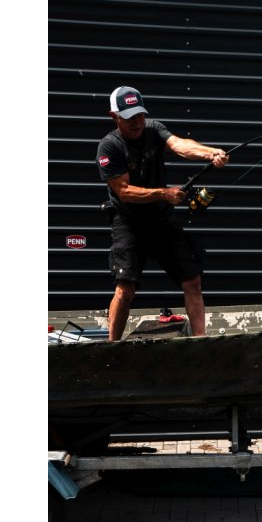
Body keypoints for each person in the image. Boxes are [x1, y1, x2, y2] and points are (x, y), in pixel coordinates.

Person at [96, 85, 228, 340]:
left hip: (161, 220)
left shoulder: (153, 129)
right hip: (129, 223)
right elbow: (124, 191)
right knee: (125, 289)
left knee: (192, 281)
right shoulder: (109, 147)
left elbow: (179, 145)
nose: (136, 122)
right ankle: (111, 348)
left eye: (139, 114)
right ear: (114, 116)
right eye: (129, 117)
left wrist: (211, 153)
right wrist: (163, 194)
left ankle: (200, 342)